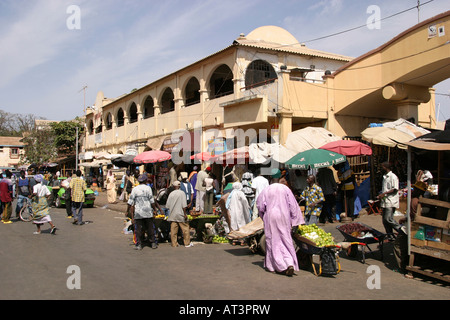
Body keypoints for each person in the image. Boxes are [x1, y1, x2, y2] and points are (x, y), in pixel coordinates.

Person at [257, 183, 304, 276]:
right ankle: (289, 262)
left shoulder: (266, 189)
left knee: (273, 241)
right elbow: (293, 205)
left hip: (271, 216)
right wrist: (295, 221)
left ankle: (279, 266)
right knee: (286, 239)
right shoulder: (285, 188)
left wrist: (263, 216)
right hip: (284, 216)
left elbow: (260, 206)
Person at [393, 180, 426, 277]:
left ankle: (402, 267)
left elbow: (413, 216)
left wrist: (405, 219)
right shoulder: (421, 200)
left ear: (417, 190)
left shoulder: (414, 200)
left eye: (414, 189)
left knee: (398, 245)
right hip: (414, 227)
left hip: (408, 228)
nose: (413, 190)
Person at [127, 173, 163, 250]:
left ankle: (139, 244)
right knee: (150, 229)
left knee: (138, 230)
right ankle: (153, 243)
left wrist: (127, 211)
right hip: (148, 213)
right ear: (145, 180)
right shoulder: (148, 188)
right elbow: (152, 201)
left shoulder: (135, 189)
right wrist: (155, 209)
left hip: (138, 213)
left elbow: (130, 202)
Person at [377, 161, 401, 241]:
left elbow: (395, 189)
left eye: (382, 167)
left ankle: (402, 231)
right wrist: (381, 195)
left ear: (386, 167)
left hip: (391, 201)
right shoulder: (385, 177)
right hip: (385, 201)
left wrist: (384, 194)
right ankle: (390, 236)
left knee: (388, 219)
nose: (381, 168)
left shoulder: (393, 177)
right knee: (384, 221)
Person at [166, 180, 192, 248]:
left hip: (173, 214)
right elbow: (184, 205)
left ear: (174, 186)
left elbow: (167, 205)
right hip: (180, 214)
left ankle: (174, 243)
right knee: (185, 229)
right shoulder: (182, 193)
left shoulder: (171, 194)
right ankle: (187, 243)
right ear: (179, 186)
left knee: (173, 230)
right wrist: (185, 214)